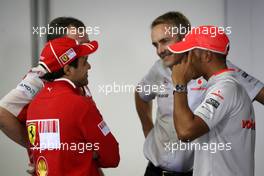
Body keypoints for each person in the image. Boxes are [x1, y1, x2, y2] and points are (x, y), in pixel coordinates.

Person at [135, 12, 263, 176]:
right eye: (155, 45)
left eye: (165, 41)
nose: (160, 50)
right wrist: (148, 129)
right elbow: (140, 94)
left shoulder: (221, 73)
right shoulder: (158, 68)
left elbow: (186, 131)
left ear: (185, 39)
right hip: (156, 169)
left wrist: (179, 84)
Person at [0, 17, 106, 175]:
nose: (84, 48)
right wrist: (37, 147)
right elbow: (2, 114)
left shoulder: (77, 74)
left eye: (86, 42)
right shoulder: (40, 76)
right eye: (77, 44)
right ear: (56, 45)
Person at [26, 36, 119, 176]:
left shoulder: (34, 105)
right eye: (84, 62)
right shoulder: (81, 104)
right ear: (68, 69)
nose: (89, 66)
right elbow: (112, 157)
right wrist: (88, 154)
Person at [169, 25, 255, 176]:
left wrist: (179, 84)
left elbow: (185, 132)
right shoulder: (224, 86)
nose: (184, 60)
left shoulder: (226, 88)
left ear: (207, 56)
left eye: (189, 53)